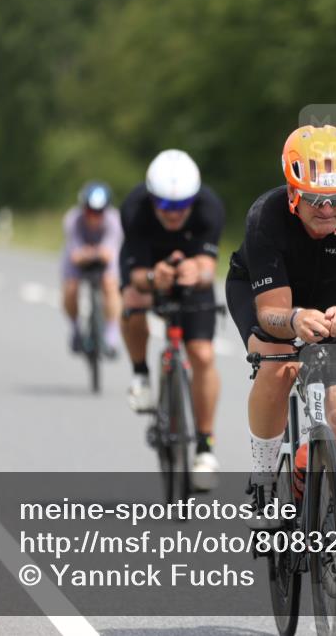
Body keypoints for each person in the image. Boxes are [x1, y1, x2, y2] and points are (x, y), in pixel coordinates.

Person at [225, 124, 336, 589]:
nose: (326, 209)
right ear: (294, 195)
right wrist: (296, 319)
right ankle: (262, 481)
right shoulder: (267, 216)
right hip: (272, 298)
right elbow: (271, 312)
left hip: (333, 303)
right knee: (280, 369)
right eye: (314, 199)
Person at [120, 149, 225, 488]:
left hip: (192, 273)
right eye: (165, 206)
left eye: (181, 207)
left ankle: (205, 446)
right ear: (152, 199)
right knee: (132, 301)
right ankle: (141, 374)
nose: (174, 214)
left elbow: (210, 269)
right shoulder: (135, 209)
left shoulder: (210, 208)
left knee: (202, 355)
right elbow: (135, 275)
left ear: (194, 200)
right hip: (150, 267)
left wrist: (197, 272)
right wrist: (153, 278)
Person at [61, 181, 123, 357]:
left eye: (99, 213)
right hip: (78, 261)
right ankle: (75, 329)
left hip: (102, 260)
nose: (94, 217)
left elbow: (109, 252)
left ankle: (111, 334)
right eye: (90, 212)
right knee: (71, 288)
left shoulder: (114, 220)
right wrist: (88, 254)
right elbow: (75, 254)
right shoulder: (72, 220)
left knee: (110, 284)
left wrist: (92, 253)